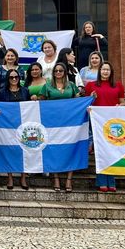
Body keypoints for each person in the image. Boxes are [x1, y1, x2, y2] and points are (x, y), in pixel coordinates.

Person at [40, 63, 81, 193]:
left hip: (70, 123)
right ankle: (56, 177)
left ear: (64, 72)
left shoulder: (72, 86)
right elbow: (41, 102)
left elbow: (78, 101)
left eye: (61, 70)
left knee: (71, 148)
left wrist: (90, 98)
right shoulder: (47, 86)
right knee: (54, 149)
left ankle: (69, 179)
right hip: (52, 124)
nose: (58, 72)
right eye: (56, 71)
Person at [86, 62, 125, 193]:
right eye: (103, 69)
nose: (105, 72)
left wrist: (120, 106)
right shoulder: (91, 86)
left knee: (111, 151)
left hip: (113, 123)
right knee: (100, 152)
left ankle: (111, 180)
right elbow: (86, 103)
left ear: (111, 72)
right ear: (99, 71)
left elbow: (122, 102)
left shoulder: (118, 86)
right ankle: (102, 181)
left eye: (108, 69)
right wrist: (91, 98)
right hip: (97, 122)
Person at [0, 69, 30, 191]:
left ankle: (23, 177)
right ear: (7, 79)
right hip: (8, 126)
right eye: (11, 77)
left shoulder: (25, 91)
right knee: (9, 149)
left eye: (16, 77)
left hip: (23, 125)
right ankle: (10, 177)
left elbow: (29, 108)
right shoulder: (2, 92)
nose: (14, 79)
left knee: (24, 149)